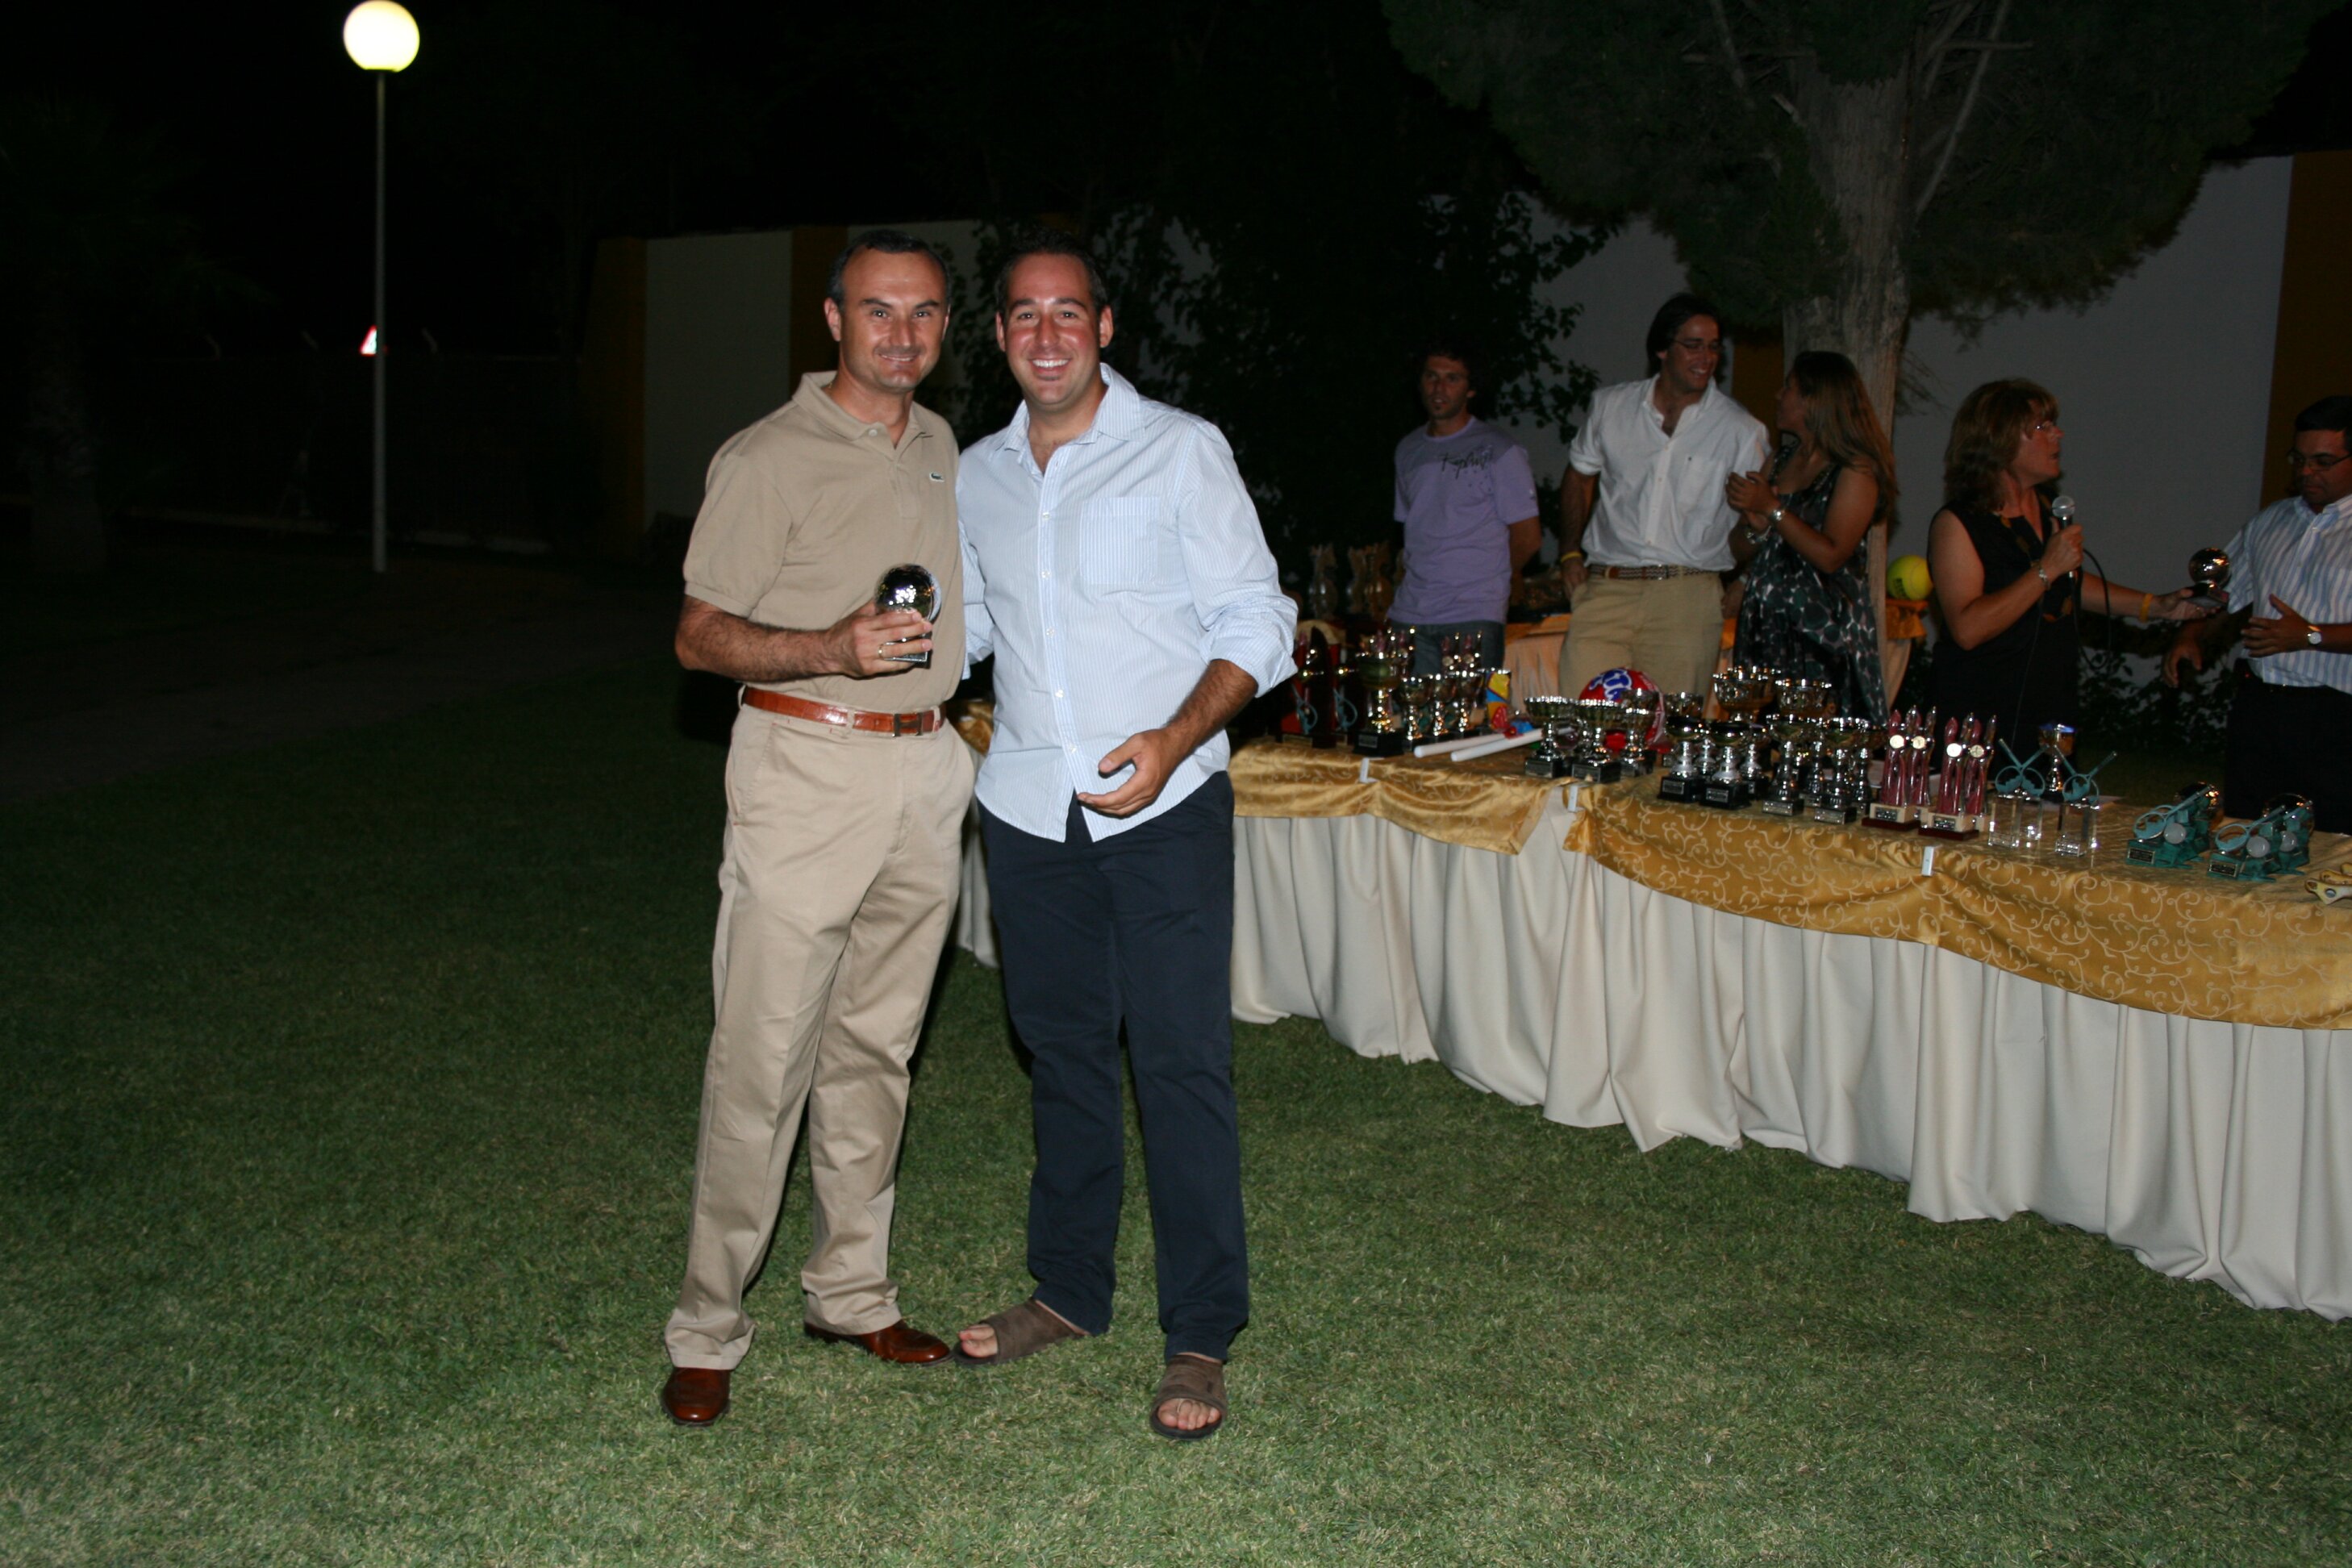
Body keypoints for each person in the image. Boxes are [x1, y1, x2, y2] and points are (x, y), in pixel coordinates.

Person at [953, 231, 1295, 1441]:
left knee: (1179, 1062)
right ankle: (1068, 1291)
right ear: (1001, 335)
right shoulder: (977, 474)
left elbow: (1259, 619)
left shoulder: (1181, 450)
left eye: (1069, 313)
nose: (1046, 334)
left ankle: (1200, 1331)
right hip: (1026, 805)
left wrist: (1173, 734)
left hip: (1166, 805)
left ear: (1104, 328)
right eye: (1024, 314)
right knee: (1060, 1053)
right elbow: (974, 628)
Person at [657, 231, 975, 1428]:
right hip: (804, 764)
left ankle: (850, 1293)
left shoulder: (941, 446)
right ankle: (707, 1327)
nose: (903, 333)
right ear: (834, 319)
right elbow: (698, 636)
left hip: (925, 768)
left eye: (925, 312)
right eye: (879, 310)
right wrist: (831, 646)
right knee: (762, 1058)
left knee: (878, 1050)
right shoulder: (767, 456)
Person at [1927, 379, 2208, 741]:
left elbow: (2069, 585)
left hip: (2049, 705)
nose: (2057, 434)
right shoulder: (1958, 523)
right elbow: (1968, 630)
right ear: (2000, 439)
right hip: (1980, 715)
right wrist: (2046, 569)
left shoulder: (2047, 508)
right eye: (2042, 426)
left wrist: (2156, 607)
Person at [1558, 294, 1768, 699]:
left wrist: (1746, 576)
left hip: (1686, 595)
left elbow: (1756, 520)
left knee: (1670, 726)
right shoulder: (1611, 406)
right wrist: (1568, 553)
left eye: (1713, 347)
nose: (1706, 358)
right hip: (1608, 587)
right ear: (1661, 349)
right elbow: (1579, 476)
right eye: (1693, 345)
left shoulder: (1741, 430)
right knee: (1582, 716)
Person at [2164, 394, 2352, 830]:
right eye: (2299, 459)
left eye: (2323, 462)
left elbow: (2307, 633)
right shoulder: (2270, 522)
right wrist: (2190, 636)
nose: (2307, 472)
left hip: (2337, 713)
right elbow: (2221, 595)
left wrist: (2310, 635)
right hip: (2262, 707)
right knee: (2246, 828)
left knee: (2332, 838)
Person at [1724, 350, 1895, 719]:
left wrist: (1773, 509)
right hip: (1768, 627)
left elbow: (1832, 555)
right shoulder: (1780, 460)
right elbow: (1738, 548)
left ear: (1815, 400)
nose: (1778, 395)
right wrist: (1755, 530)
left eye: (1789, 387)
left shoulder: (1855, 470)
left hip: (1822, 633)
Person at [1389, 339, 1541, 674]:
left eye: (1452, 378)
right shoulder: (1408, 449)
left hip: (1472, 613)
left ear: (1471, 389)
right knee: (1408, 707)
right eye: (1431, 376)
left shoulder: (1499, 449)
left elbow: (1528, 536)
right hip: (1411, 612)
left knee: (1468, 708)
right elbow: (1411, 530)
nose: (1439, 388)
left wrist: (1491, 577)